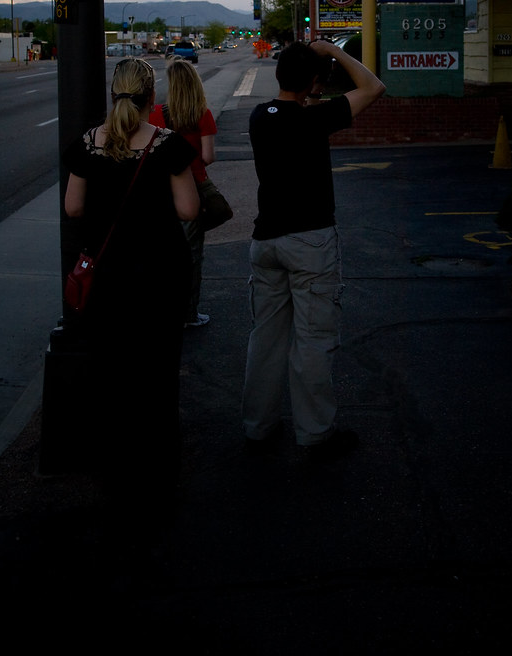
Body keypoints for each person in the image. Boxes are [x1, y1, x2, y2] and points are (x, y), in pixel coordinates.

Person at [242, 40, 386, 460]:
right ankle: (315, 434)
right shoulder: (315, 119)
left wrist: (312, 82)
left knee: (265, 339)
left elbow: (291, 105)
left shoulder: (259, 116)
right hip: (310, 243)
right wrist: (335, 53)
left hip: (265, 241)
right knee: (313, 341)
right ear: (313, 83)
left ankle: (258, 426)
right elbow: (374, 87)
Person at [63, 57, 199, 494]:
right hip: (159, 275)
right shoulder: (167, 143)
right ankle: (158, 462)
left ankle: (115, 463)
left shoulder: (88, 144)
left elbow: (73, 207)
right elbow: (188, 210)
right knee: (157, 370)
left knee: (113, 367)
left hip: (107, 278)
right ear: (150, 98)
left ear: (114, 94)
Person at [151, 58, 217, 328]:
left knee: (159, 252)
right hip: (193, 191)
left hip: (160, 192)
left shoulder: (155, 114)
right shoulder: (203, 114)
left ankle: (160, 308)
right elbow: (208, 157)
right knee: (191, 255)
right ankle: (189, 314)